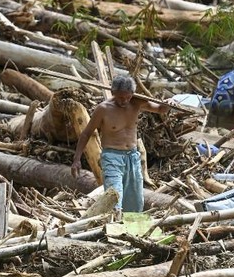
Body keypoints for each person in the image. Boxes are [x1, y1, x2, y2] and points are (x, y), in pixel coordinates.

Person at [71, 76, 170, 213]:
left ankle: (131, 226)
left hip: (133, 157)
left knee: (135, 199)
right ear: (113, 93)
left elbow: (160, 109)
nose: (124, 101)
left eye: (127, 97)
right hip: (112, 157)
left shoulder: (137, 103)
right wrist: (76, 159)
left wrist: (168, 104)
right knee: (114, 197)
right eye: (120, 97)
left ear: (132, 94)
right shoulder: (103, 109)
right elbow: (86, 133)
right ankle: (113, 223)